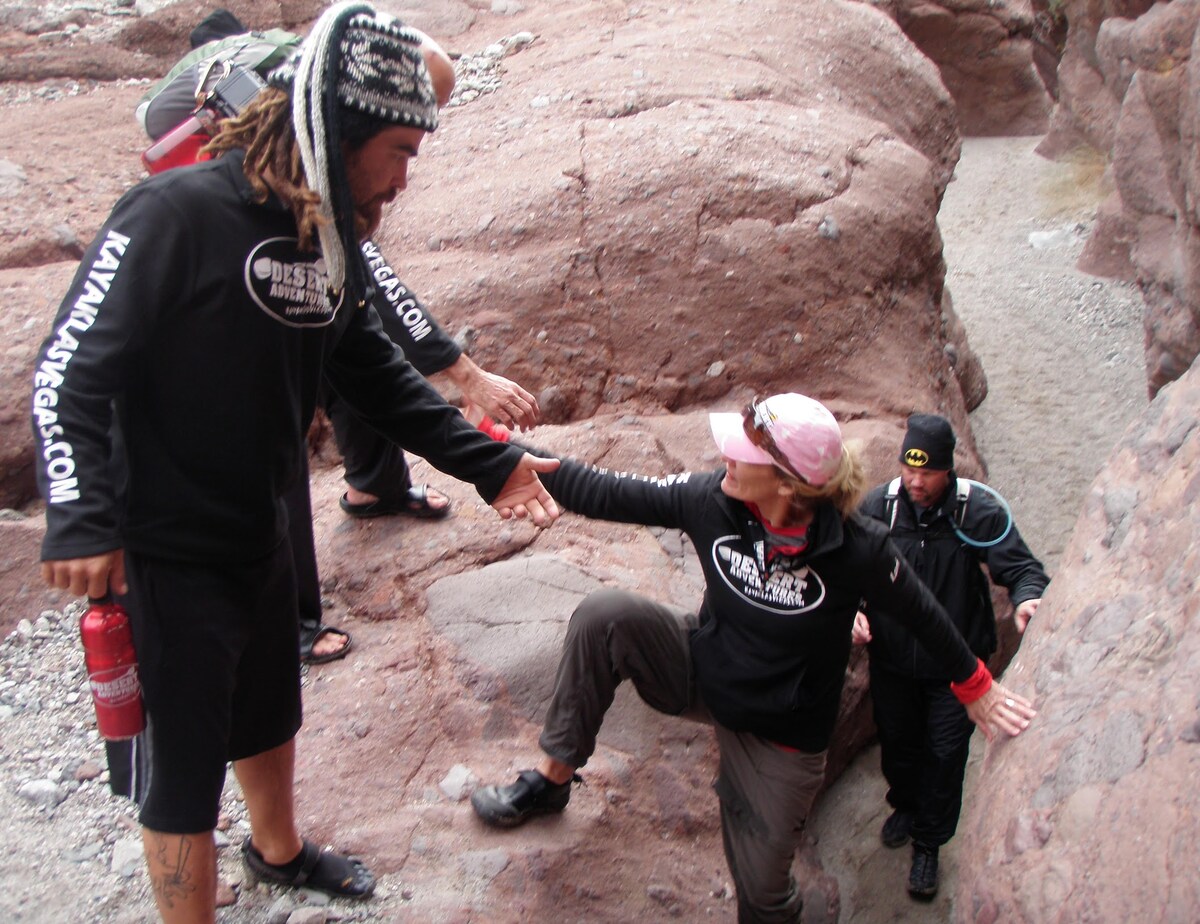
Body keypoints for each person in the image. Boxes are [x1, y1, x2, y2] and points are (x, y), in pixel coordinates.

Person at [32, 5, 560, 922]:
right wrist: (81, 516)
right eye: (397, 149)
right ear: (334, 127)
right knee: (184, 773)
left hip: (262, 525)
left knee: (271, 709)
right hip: (167, 544)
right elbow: (68, 373)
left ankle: (276, 853)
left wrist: (492, 466)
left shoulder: (329, 240)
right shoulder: (176, 212)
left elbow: (375, 377)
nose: (403, 177)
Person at [466, 394, 1037, 923]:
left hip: (780, 734)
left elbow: (924, 615)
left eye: (743, 453)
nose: (725, 458)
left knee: (763, 898)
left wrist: (976, 685)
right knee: (605, 614)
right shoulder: (713, 498)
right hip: (705, 670)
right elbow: (603, 489)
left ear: (788, 484)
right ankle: (552, 780)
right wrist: (493, 443)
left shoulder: (858, 548)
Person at [133, 9, 542, 663]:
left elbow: (358, 327)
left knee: (337, 327)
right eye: (402, 143)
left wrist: (479, 454)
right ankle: (288, 621)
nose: (407, 176)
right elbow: (369, 279)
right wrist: (465, 377)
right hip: (180, 508)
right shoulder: (287, 124)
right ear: (356, 116)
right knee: (280, 368)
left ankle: (375, 485)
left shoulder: (349, 91)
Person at [853, 413, 1049, 899]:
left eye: (927, 473)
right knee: (898, 744)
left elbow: (1022, 566)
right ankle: (904, 804)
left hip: (957, 667)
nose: (915, 481)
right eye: (908, 469)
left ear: (948, 470)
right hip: (893, 660)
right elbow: (846, 568)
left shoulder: (974, 511)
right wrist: (849, 611)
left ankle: (929, 844)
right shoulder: (881, 508)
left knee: (945, 755)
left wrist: (1027, 595)